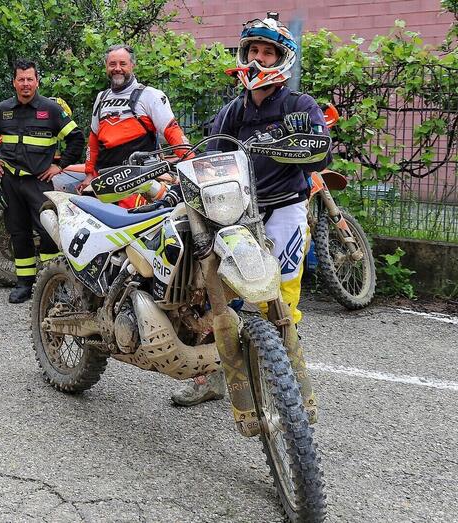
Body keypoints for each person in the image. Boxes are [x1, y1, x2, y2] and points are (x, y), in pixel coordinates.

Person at [171, 13, 331, 407]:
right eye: (253, 51)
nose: (259, 59)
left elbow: (319, 155)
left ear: (282, 60)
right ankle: (210, 378)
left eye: (268, 53)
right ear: (244, 55)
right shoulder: (231, 113)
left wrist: (305, 141)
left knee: (281, 295)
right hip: (235, 215)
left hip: (284, 208)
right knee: (216, 294)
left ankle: (289, 379)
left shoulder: (300, 104)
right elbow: (208, 162)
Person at [0, 60, 85, 303]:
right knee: (18, 233)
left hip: (39, 183)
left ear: (37, 81)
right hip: (11, 182)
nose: (25, 84)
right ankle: (24, 283)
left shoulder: (51, 110)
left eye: (30, 79)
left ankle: (52, 284)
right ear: (14, 82)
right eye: (21, 79)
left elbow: (77, 138)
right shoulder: (3, 110)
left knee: (48, 232)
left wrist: (60, 165)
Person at [79, 44, 189, 192]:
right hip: (106, 180)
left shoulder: (150, 95)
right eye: (112, 64)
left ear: (132, 65)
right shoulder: (101, 97)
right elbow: (93, 139)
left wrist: (191, 163)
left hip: (140, 181)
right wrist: (89, 174)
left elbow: (172, 131)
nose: (117, 68)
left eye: (123, 64)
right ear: (106, 66)